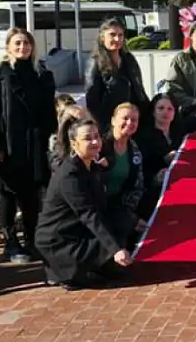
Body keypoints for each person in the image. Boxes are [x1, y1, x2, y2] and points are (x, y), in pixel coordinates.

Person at [0, 28, 57, 264]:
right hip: (9, 142)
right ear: (8, 47)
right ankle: (10, 241)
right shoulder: (0, 74)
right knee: (8, 192)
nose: (22, 47)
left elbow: (48, 110)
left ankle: (32, 239)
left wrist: (50, 135)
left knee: (31, 195)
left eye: (26, 43)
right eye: (17, 44)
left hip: (34, 143)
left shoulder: (42, 74)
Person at [37, 118, 133, 291]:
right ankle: (71, 272)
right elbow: (88, 215)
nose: (95, 142)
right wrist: (115, 249)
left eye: (97, 136)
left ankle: (100, 266)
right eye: (88, 138)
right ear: (74, 144)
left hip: (78, 230)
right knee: (113, 244)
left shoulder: (91, 166)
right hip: (61, 239)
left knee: (123, 222)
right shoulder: (69, 176)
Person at [99, 103, 147, 247]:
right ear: (113, 120)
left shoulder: (134, 150)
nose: (130, 123)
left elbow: (137, 185)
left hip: (120, 204)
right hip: (97, 206)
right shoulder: (99, 145)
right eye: (125, 118)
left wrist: (129, 213)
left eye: (134, 120)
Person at [85, 19, 149, 126]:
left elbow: (139, 89)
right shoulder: (95, 63)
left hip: (134, 119)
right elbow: (92, 100)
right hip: (112, 122)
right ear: (102, 38)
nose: (117, 39)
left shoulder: (129, 59)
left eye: (120, 35)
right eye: (112, 35)